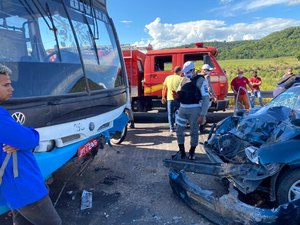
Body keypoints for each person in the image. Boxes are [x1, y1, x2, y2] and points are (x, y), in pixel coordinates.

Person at [0, 64, 62, 225]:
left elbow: (19, 139)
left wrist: (18, 139)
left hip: (12, 185)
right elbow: (29, 139)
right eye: (6, 84)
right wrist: (28, 135)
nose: (11, 88)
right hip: (23, 186)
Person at [173, 61, 210, 160]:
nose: (186, 74)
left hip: (195, 109)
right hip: (182, 108)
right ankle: (181, 151)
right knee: (179, 130)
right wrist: (176, 96)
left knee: (194, 131)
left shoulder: (201, 80)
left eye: (188, 71)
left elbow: (206, 99)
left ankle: (192, 151)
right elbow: (179, 93)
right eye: (184, 72)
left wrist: (202, 115)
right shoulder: (184, 80)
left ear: (193, 70)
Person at [161, 66, 183, 132]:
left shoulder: (168, 78)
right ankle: (177, 126)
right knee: (178, 113)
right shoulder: (181, 79)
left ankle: (171, 128)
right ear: (179, 72)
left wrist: (163, 97)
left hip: (169, 99)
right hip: (178, 99)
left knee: (170, 114)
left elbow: (164, 88)